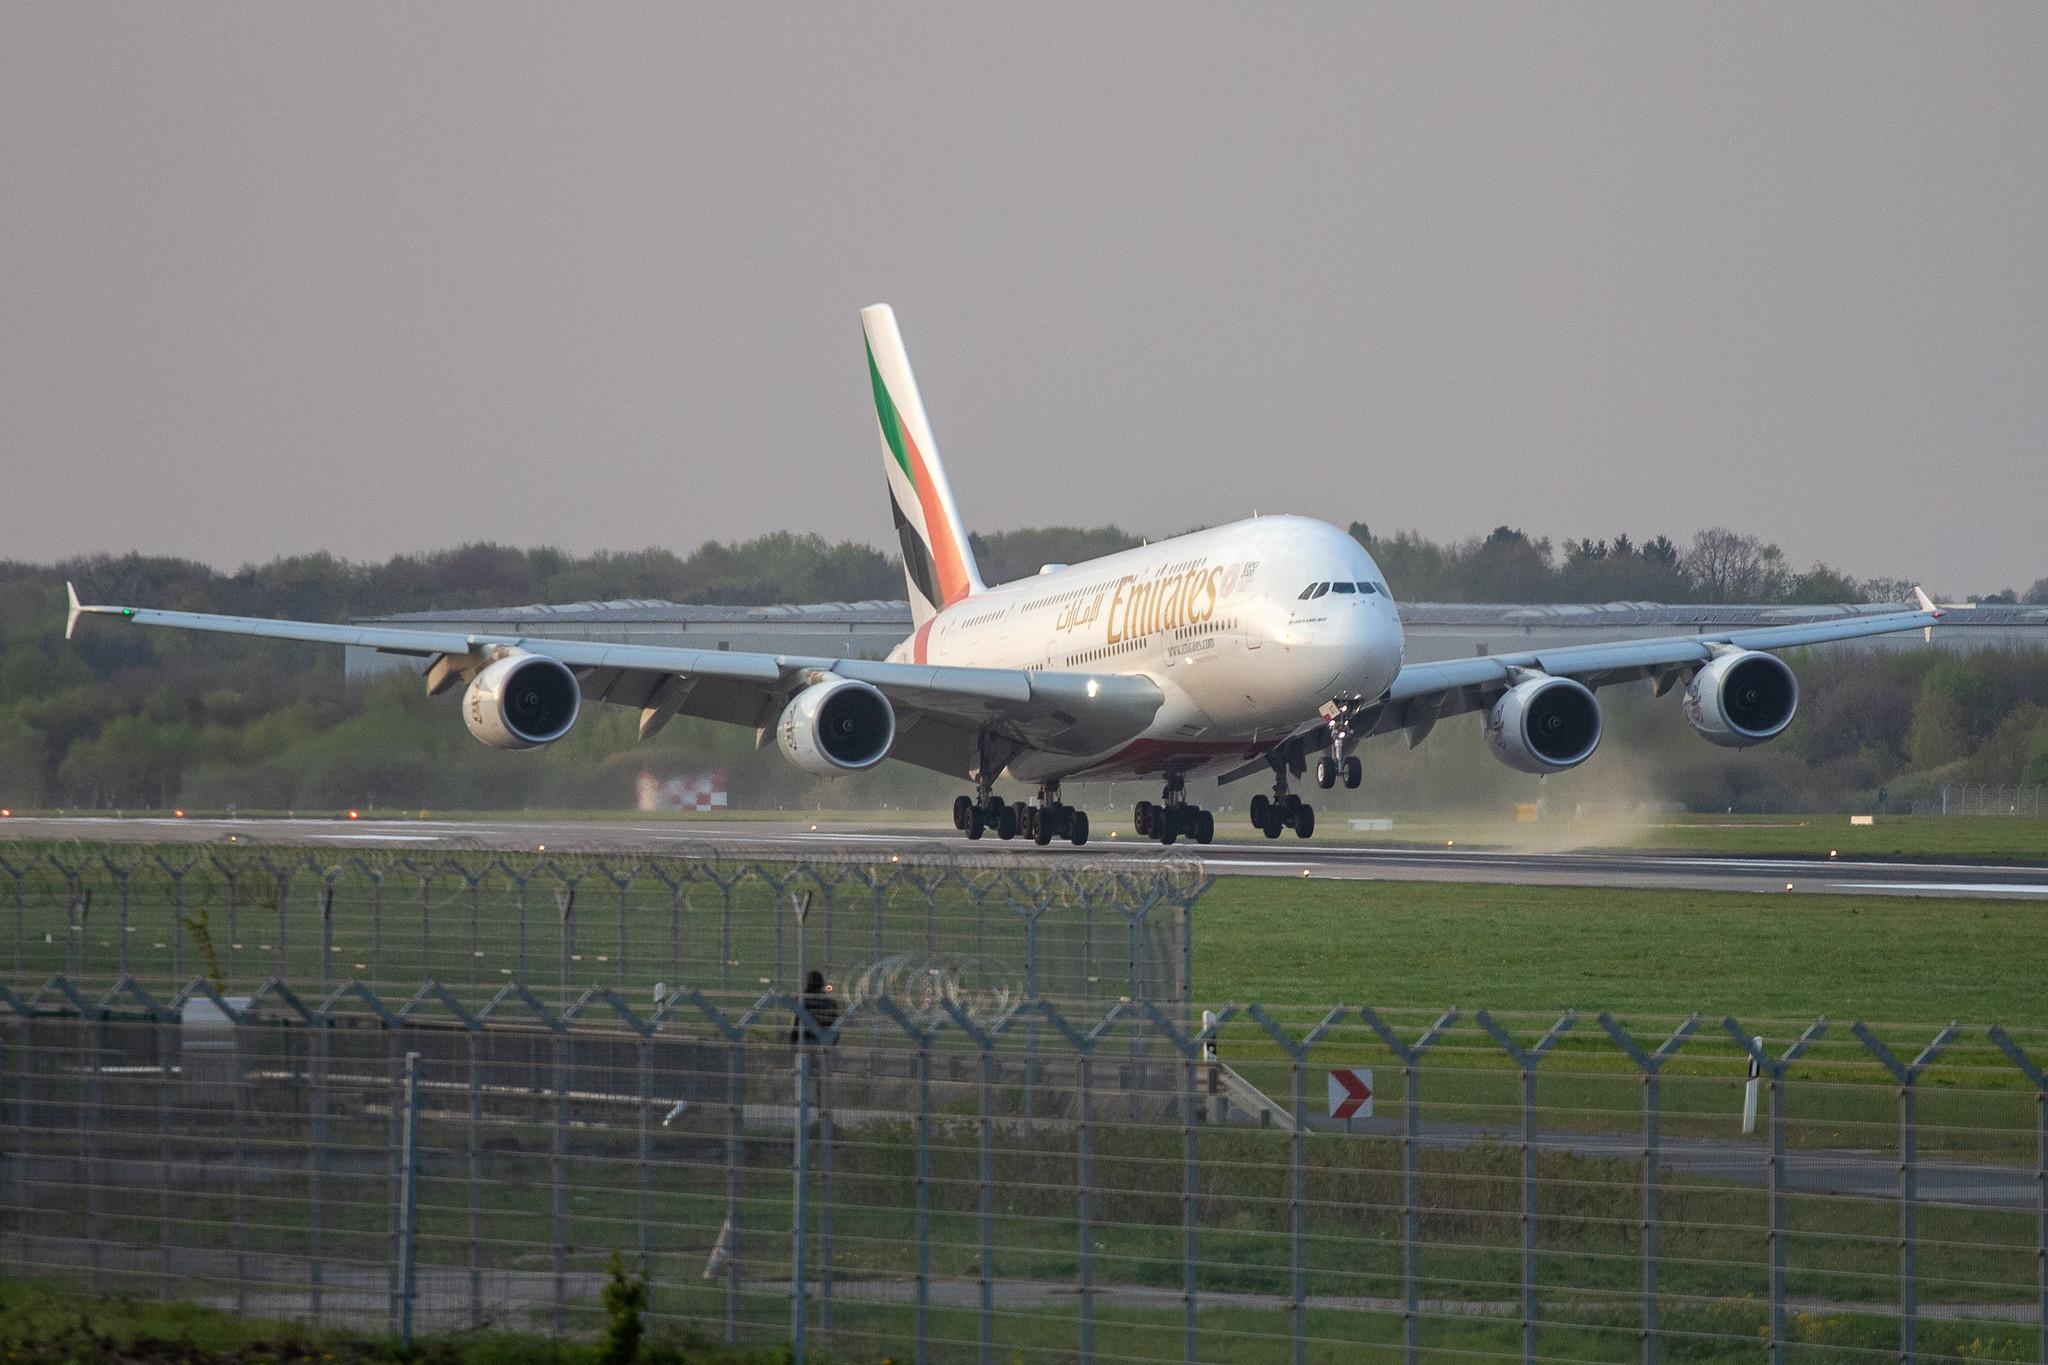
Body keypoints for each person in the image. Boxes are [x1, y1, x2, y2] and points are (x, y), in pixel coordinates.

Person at [789, 969, 839, 1047]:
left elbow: (795, 1022)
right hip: (824, 1040)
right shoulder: (830, 1002)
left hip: (804, 1038)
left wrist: (793, 1041)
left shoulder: (801, 999)